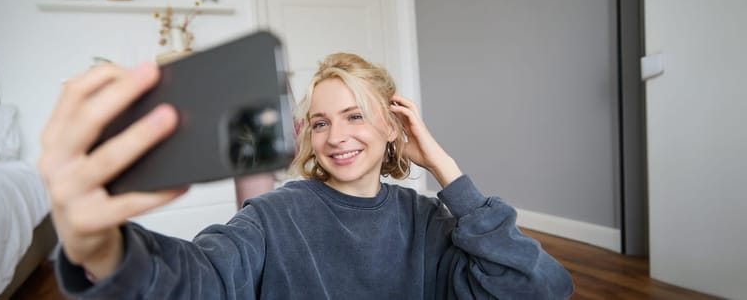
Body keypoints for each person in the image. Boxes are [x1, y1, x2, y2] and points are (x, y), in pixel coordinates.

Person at [39, 53, 574, 299]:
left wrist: (445, 170)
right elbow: (202, 281)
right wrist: (103, 252)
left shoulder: (430, 220)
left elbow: (540, 287)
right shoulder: (276, 215)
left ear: (395, 126)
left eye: (355, 115)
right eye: (321, 121)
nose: (336, 136)